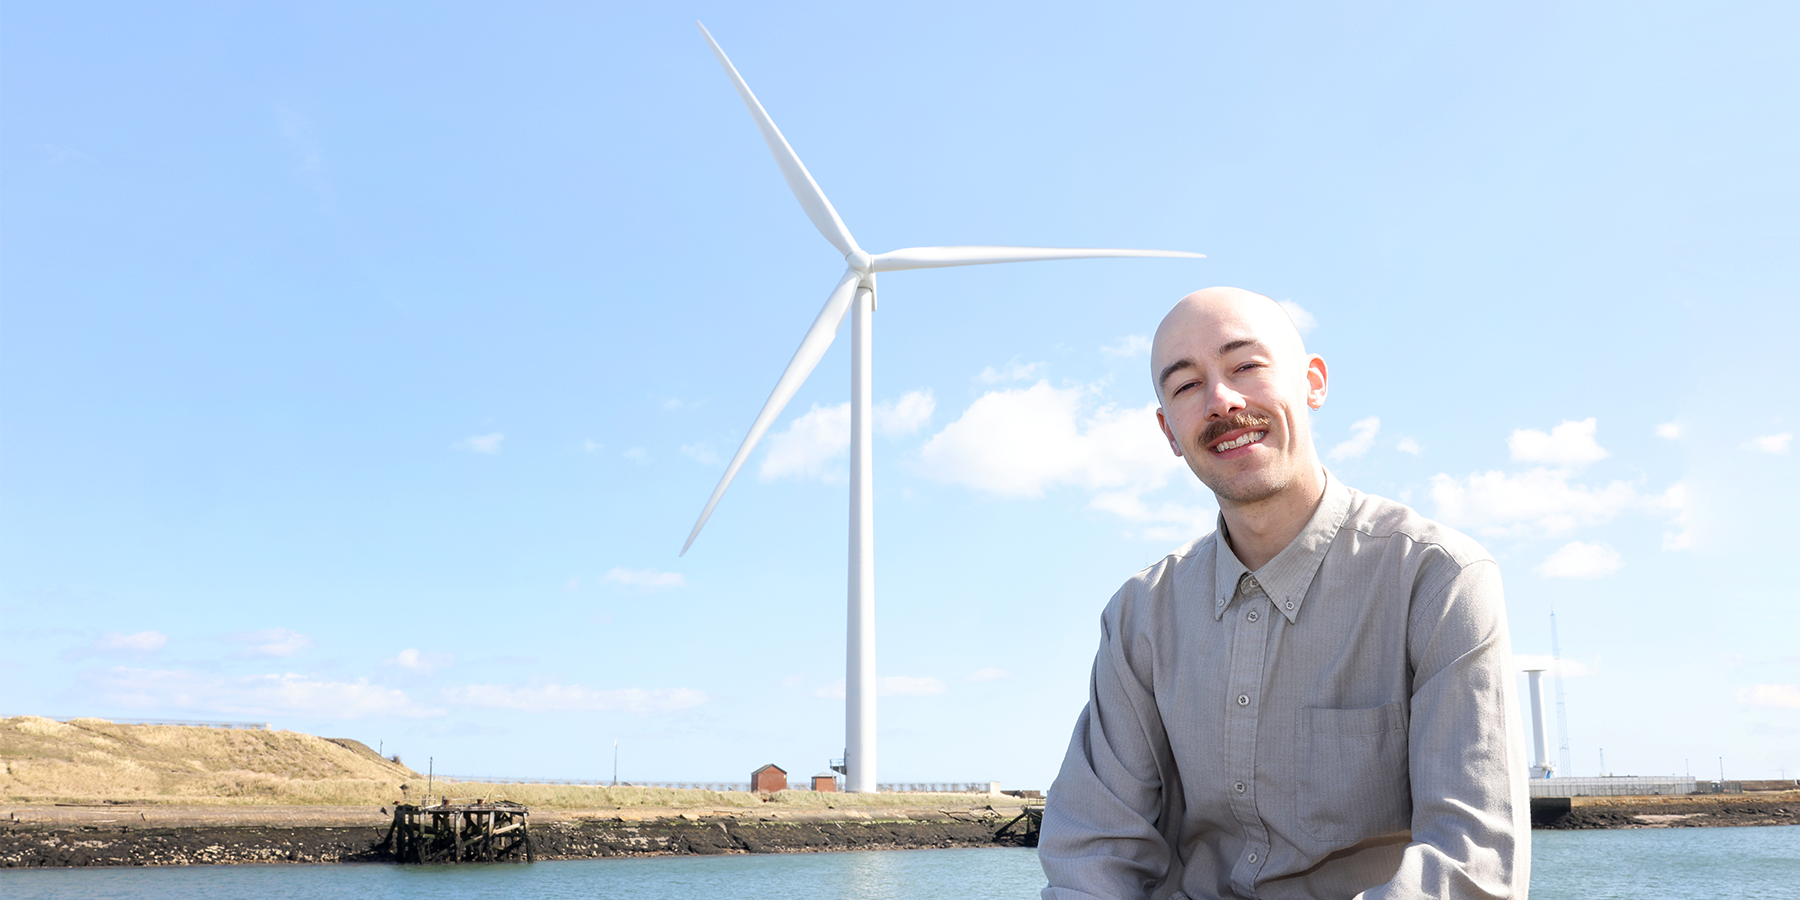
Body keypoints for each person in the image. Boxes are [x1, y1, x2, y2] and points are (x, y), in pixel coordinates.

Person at [1039, 287, 1528, 900]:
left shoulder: (1438, 580)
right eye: (1187, 385)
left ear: (1313, 383)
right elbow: (1094, 849)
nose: (1222, 400)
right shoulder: (1139, 616)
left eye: (1245, 365)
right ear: (1169, 430)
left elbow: (1469, 864)